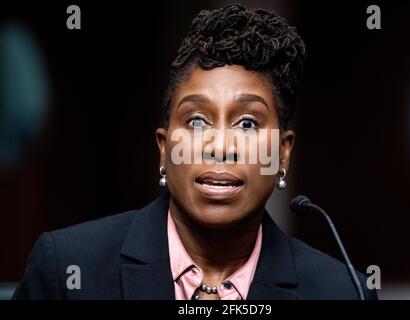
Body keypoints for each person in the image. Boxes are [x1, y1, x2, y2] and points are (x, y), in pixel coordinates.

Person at [13, 3, 377, 300]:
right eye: (197, 121)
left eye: (248, 123)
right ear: (163, 148)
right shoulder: (68, 272)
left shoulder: (342, 292)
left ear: (282, 155)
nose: (220, 147)